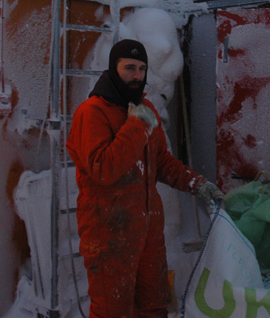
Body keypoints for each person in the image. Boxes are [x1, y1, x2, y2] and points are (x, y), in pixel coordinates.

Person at [66, 38, 223, 318]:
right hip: (109, 236)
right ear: (114, 68)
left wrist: (198, 184)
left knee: (154, 307)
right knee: (113, 312)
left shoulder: (144, 108)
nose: (137, 75)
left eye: (141, 69)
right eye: (129, 68)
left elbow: (160, 161)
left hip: (148, 233)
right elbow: (103, 169)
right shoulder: (92, 113)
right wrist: (136, 125)